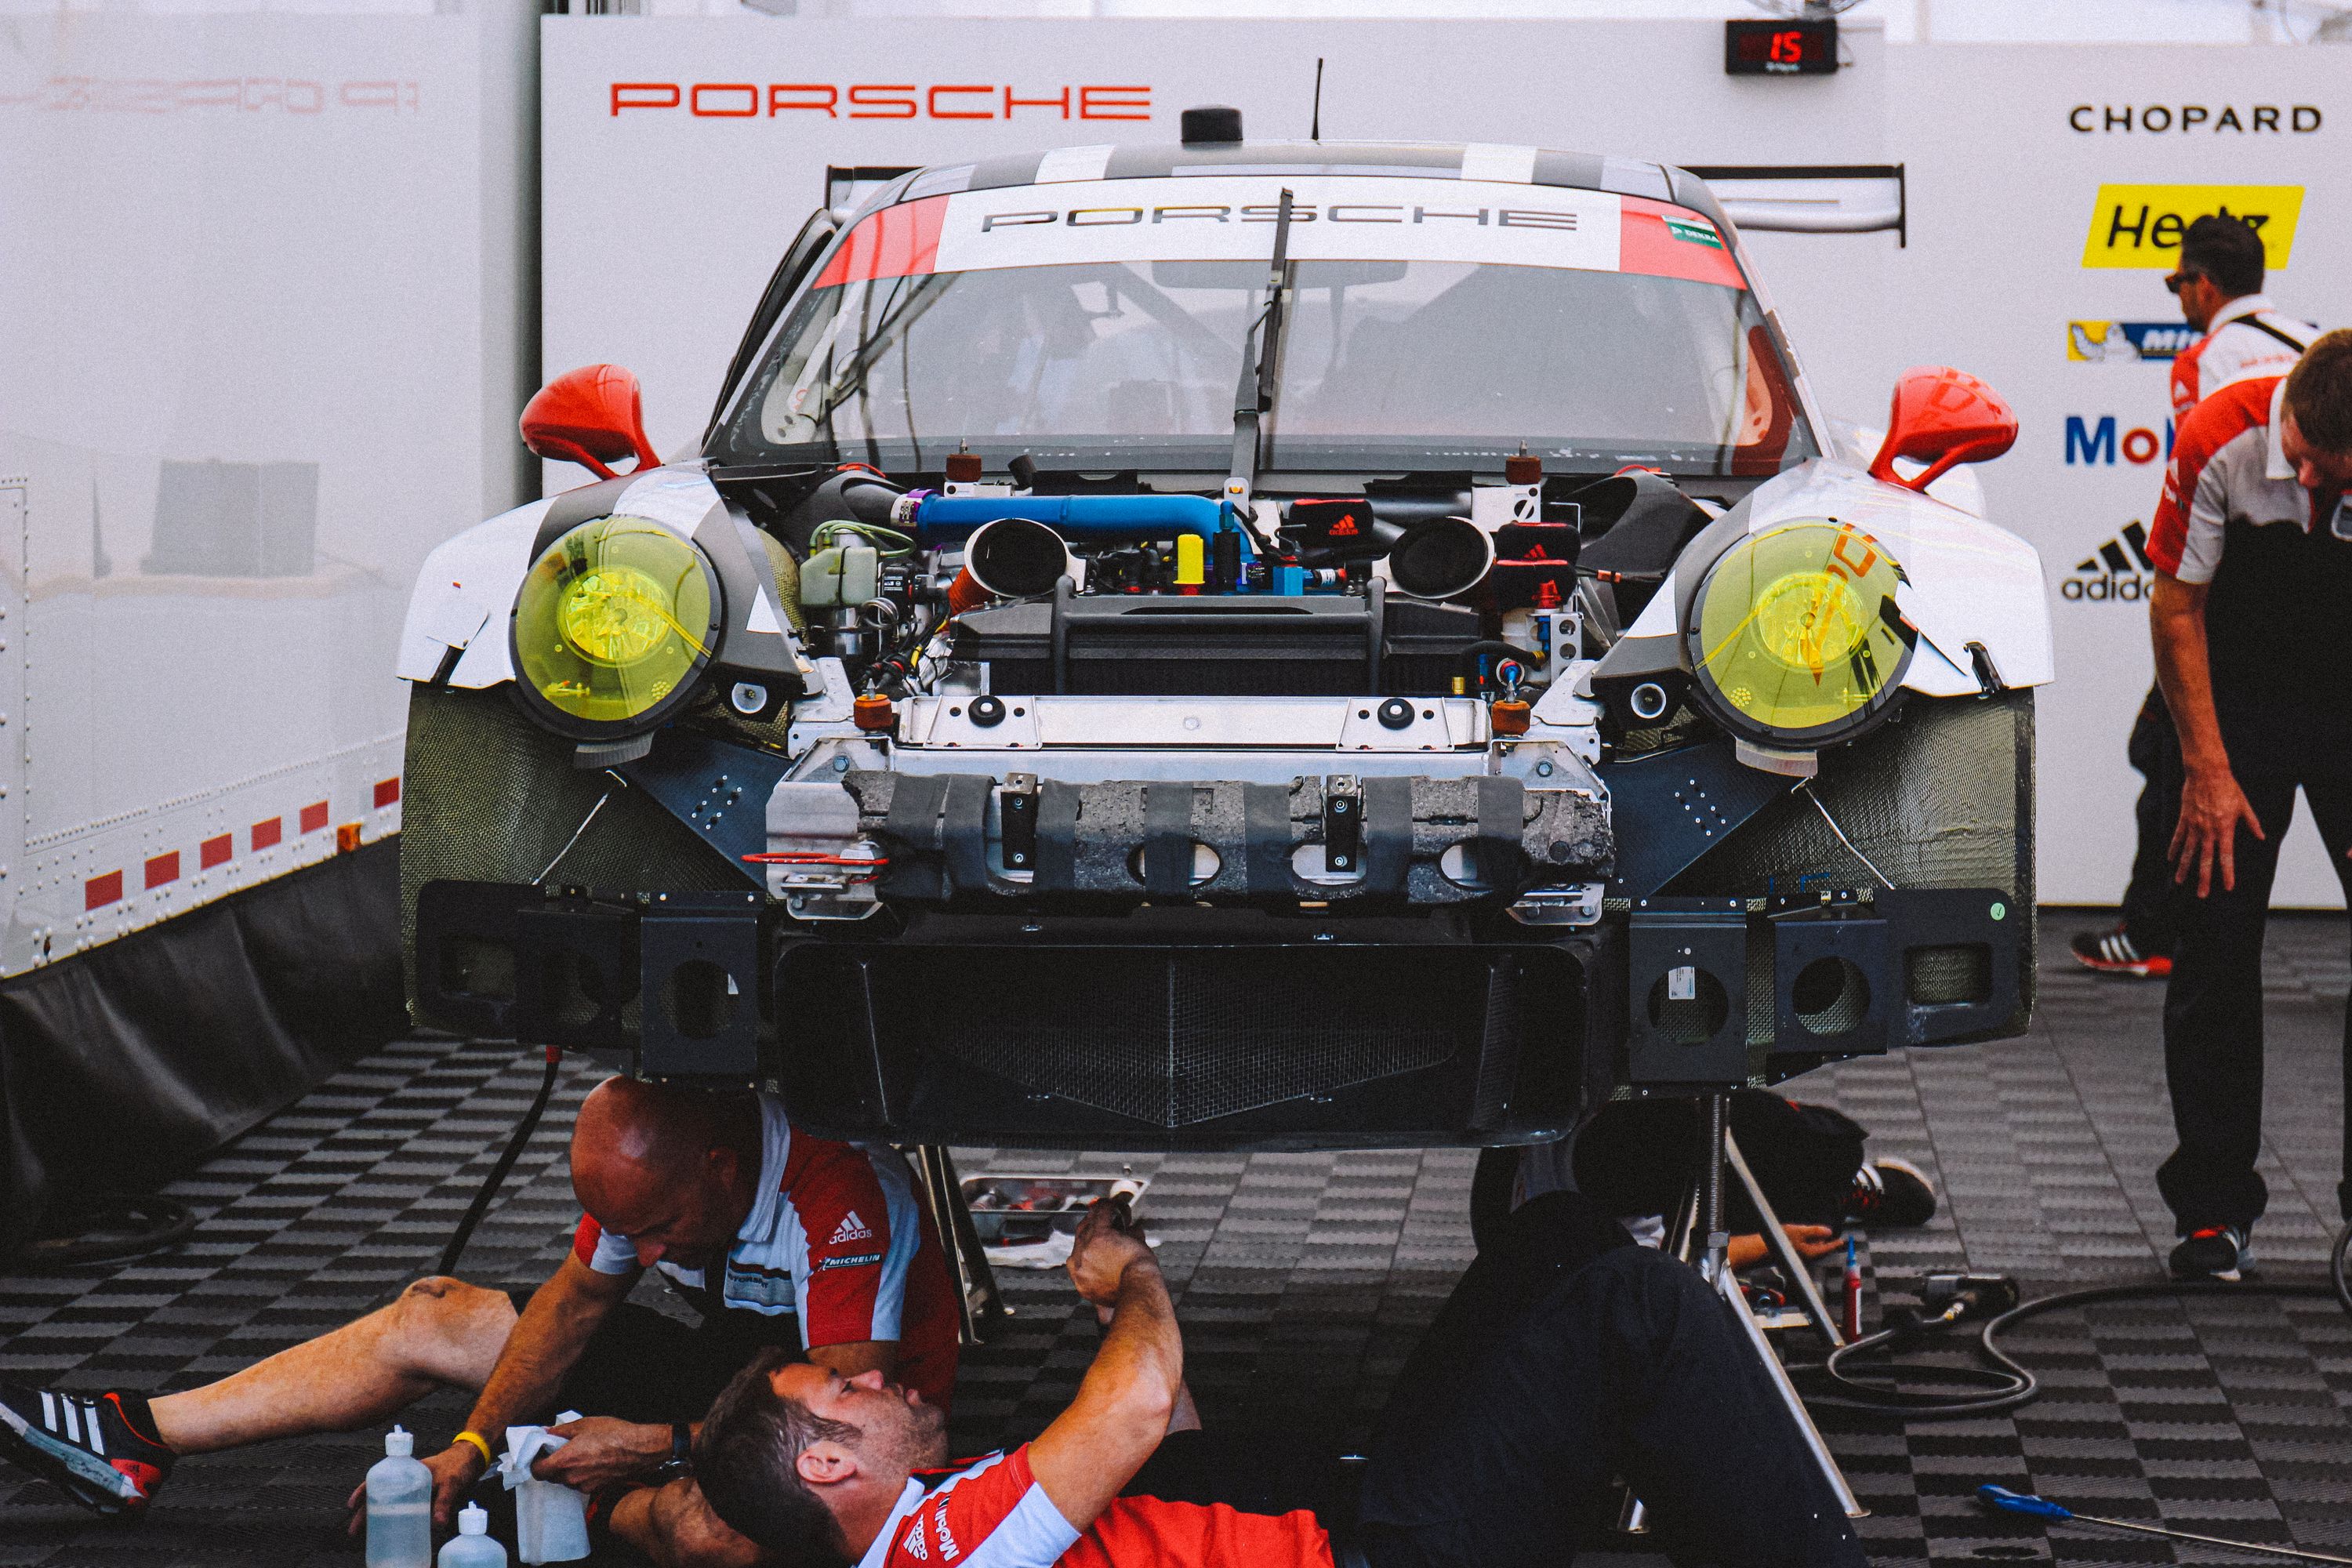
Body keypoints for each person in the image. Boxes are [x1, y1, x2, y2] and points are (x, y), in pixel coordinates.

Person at [0, 1076, 960, 1563]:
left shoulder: (840, 1198)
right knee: (431, 1313)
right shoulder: (653, 1181)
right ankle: (141, 1435)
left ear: (721, 1165)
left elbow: (830, 1433)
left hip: (834, 1423)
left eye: (661, 1229)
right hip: (737, 1373)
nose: (650, 1257)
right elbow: (573, 1309)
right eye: (632, 1233)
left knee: (720, 1540)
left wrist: (651, 1447)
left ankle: (566, 1501)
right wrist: (467, 1441)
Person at [691, 1195, 1867, 1568]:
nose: (881, 1380)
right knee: (1637, 1305)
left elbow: (1169, 1449)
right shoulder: (936, 1547)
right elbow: (1137, 1402)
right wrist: (1137, 1279)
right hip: (1391, 1547)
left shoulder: (955, 1524)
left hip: (1368, 1504)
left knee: (1554, 1237)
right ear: (828, 1464)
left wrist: (1128, 1311)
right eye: (847, 1395)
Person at [2145, 328, 2352, 1281]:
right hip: (2240, 704)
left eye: (2339, 482)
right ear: (2290, 419)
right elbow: (2177, 604)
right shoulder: (2218, 437)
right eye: (2306, 466)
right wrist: (2208, 771)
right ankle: (2212, 1211)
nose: (2315, 492)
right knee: (2217, 943)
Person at [2074, 214, 2318, 979]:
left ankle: (2156, 930)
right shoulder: (2315, 349)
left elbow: (2198, 493)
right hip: (2324, 595)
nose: (2178, 296)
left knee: (2169, 746)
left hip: (2236, 597)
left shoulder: (2205, 361)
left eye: (2178, 282)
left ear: (2204, 284)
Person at [1476, 1089, 1936, 1259]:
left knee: (1819, 1150)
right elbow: (1684, 1264)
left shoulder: (1570, 1100)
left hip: (1524, 1189)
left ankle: (1838, 1178)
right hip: (1520, 1226)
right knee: (1812, 1225)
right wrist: (1774, 1243)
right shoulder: (1599, 1239)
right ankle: (1839, 1191)